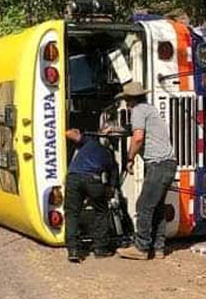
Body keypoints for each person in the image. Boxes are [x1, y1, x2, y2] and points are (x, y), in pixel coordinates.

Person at [117, 81, 177, 260]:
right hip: (168, 163)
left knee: (143, 205)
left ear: (130, 100)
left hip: (158, 164)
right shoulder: (150, 110)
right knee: (156, 207)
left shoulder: (137, 111)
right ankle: (158, 248)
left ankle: (141, 247)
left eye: (126, 100)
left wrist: (129, 158)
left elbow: (138, 138)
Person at [64, 127, 118, 262]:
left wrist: (78, 132)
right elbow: (113, 180)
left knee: (72, 213)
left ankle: (73, 250)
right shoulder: (108, 154)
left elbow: (68, 134)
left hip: (73, 178)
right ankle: (100, 248)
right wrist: (109, 190)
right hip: (93, 179)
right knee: (101, 211)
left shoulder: (89, 142)